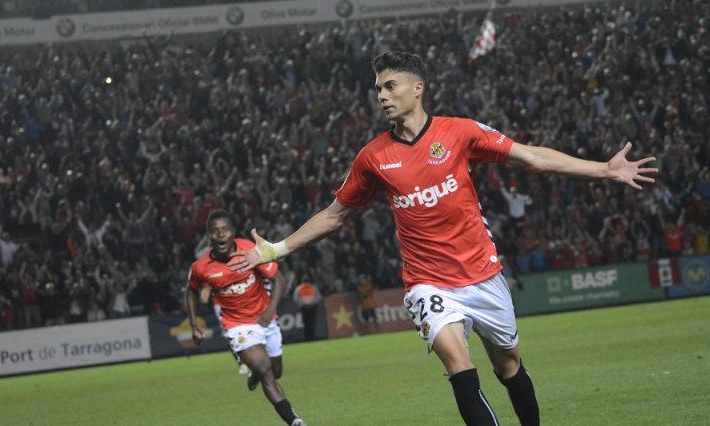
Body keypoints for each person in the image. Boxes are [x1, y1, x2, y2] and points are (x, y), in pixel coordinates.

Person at [229, 51, 657, 425]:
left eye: (389, 86)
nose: (380, 95)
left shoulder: (460, 132)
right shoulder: (373, 157)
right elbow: (335, 214)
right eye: (377, 88)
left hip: (483, 274)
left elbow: (531, 157)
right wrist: (276, 248)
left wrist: (604, 169)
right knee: (459, 365)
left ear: (418, 89)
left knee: (508, 365)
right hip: (428, 283)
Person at [186, 210, 306, 426]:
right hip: (237, 325)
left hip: (265, 319)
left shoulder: (250, 250)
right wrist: (194, 324)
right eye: (215, 232)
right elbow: (191, 290)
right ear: (209, 237)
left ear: (233, 232)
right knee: (265, 371)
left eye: (225, 230)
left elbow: (278, 280)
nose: (220, 235)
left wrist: (270, 311)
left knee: (275, 371)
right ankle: (295, 422)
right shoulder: (201, 267)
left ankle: (255, 374)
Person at [292, 276, 322, 341]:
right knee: (312, 323)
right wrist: (311, 303)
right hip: (313, 307)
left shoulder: (298, 288)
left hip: (303, 308)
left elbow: (295, 299)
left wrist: (304, 304)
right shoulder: (313, 287)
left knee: (305, 323)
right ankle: (312, 337)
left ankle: (307, 338)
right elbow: (319, 297)